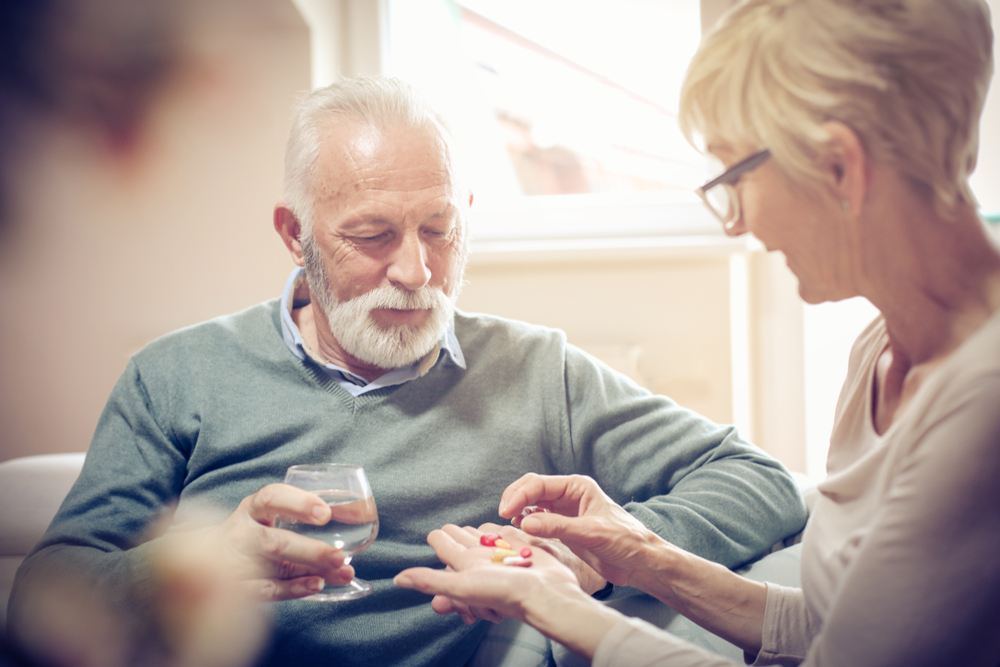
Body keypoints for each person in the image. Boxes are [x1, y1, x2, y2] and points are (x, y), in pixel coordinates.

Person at [7, 76, 806, 667]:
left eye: (439, 229)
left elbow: (757, 480)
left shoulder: (538, 368)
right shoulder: (175, 376)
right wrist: (208, 558)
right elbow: (41, 604)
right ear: (296, 234)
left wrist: (607, 556)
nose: (418, 272)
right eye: (373, 235)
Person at [394, 0, 1000, 665]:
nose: (734, 223)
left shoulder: (983, 402)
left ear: (840, 167)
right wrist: (641, 552)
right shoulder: (880, 348)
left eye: (735, 176)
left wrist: (552, 601)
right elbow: (832, 626)